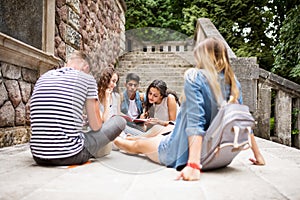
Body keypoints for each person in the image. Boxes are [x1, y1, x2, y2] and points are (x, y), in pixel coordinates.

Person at [114, 37, 265, 181]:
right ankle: (125, 137)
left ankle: (112, 139)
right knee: (152, 137)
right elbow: (241, 119)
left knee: (137, 146)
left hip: (183, 152)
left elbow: (195, 121)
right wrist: (258, 156)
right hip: (219, 157)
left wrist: (193, 165)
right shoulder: (233, 82)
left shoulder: (195, 77)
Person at [30, 51, 126, 166]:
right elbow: (96, 126)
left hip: (38, 155)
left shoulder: (43, 77)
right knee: (119, 121)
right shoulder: (87, 79)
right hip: (70, 154)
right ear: (86, 67)